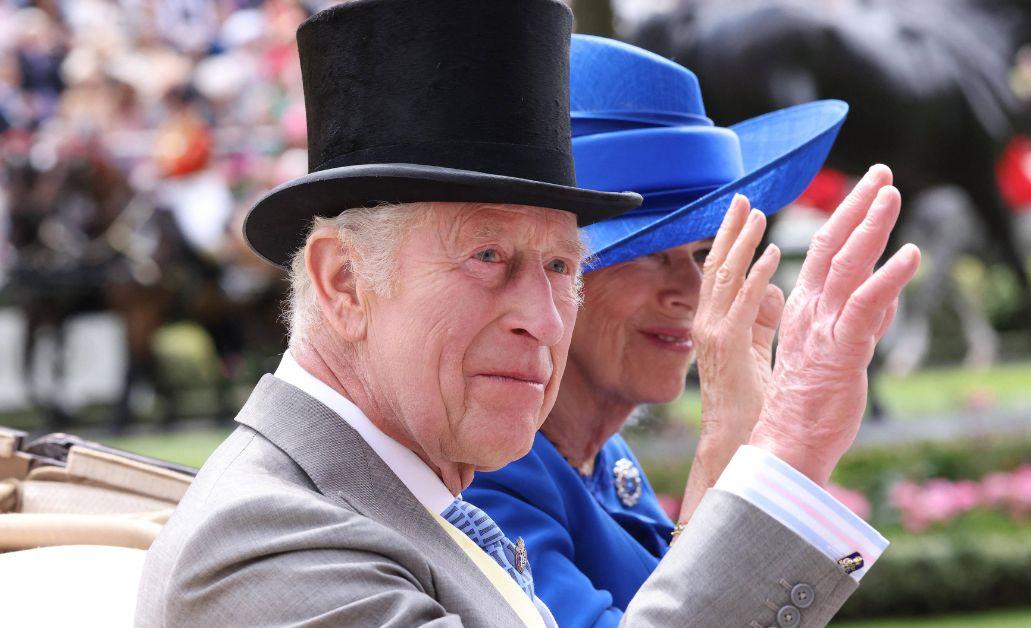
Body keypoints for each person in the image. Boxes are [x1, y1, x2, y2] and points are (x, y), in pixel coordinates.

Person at [136, 1, 921, 626]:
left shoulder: (411, 481)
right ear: (343, 282)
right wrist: (785, 452)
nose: (545, 318)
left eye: (562, 266)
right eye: (488, 259)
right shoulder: (270, 544)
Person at [464, 36, 877, 627]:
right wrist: (736, 456)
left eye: (705, 252)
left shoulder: (599, 457)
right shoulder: (488, 471)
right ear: (549, 275)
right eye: (649, 254)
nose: (691, 289)